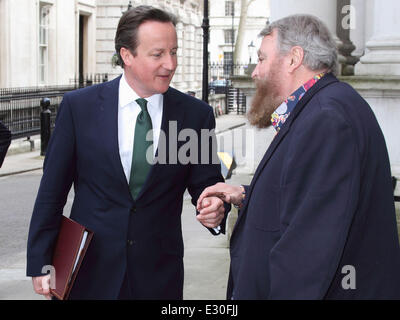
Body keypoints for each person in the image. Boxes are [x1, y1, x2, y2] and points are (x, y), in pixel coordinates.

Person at [27, 6, 228, 300]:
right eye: (158, 54)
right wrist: (41, 260)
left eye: (174, 52)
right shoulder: (79, 108)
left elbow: (206, 184)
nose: (170, 64)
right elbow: (52, 191)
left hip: (159, 275)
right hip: (89, 273)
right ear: (127, 55)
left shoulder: (194, 116)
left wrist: (214, 205)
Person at [197, 14, 400, 299]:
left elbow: (308, 251)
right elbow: (308, 198)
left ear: (293, 59)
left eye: (262, 58)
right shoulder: (322, 107)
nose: (255, 72)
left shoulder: (327, 119)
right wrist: (246, 195)